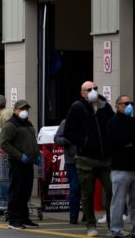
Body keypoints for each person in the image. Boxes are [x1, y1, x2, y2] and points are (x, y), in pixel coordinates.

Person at [63, 81, 115, 237]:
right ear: (82, 92)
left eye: (95, 88)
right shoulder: (77, 107)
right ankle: (90, 225)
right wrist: (82, 143)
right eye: (89, 89)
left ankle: (114, 225)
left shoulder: (104, 106)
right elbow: (68, 132)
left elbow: (112, 124)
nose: (93, 91)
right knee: (87, 193)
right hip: (85, 159)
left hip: (104, 158)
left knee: (112, 191)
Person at [0, 99, 41, 230]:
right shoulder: (10, 124)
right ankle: (13, 219)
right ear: (15, 110)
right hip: (17, 163)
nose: (25, 111)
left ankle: (24, 217)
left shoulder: (28, 123)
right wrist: (19, 155)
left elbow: (32, 141)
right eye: (22, 109)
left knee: (26, 191)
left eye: (26, 109)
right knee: (16, 191)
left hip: (28, 162)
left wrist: (37, 154)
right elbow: (5, 143)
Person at [107, 94, 135, 238]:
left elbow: (127, 140)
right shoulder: (112, 122)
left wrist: (128, 142)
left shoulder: (133, 122)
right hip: (120, 168)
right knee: (118, 202)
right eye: (125, 103)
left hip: (133, 167)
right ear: (117, 105)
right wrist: (128, 142)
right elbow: (116, 141)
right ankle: (116, 230)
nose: (129, 106)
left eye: (131, 103)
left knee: (133, 203)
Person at [54, 118, 81, 224]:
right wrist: (67, 140)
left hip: (88, 160)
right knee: (75, 189)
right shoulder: (66, 122)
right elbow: (57, 139)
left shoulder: (89, 120)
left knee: (87, 190)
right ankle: (73, 217)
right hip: (72, 161)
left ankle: (88, 216)